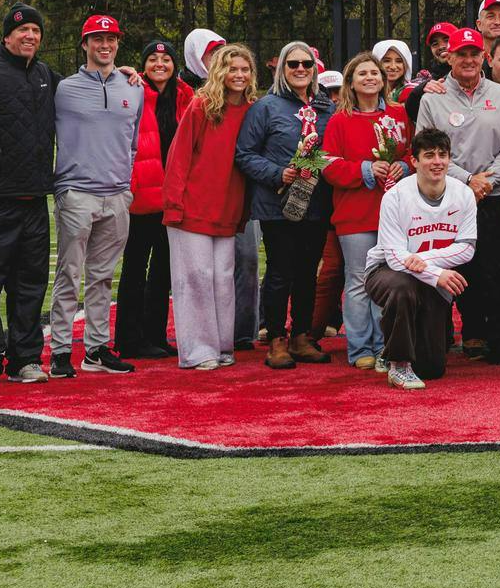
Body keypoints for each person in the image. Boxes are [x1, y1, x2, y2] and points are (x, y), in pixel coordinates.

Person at [413, 27, 500, 364]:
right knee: (457, 267)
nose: (469, 59)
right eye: (462, 53)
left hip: (495, 194)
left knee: (498, 270)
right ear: (450, 56)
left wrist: (487, 181)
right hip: (451, 197)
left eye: (475, 53)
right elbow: (426, 146)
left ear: (483, 57)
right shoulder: (433, 97)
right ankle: (456, 338)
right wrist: (467, 181)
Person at [46, 13, 145, 378]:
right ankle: (58, 351)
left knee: (103, 277)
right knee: (69, 275)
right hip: (77, 194)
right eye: (97, 39)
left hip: (117, 194)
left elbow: (131, 143)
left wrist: (125, 185)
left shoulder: (134, 87)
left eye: (111, 39)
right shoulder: (63, 88)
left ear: (118, 43)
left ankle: (96, 350)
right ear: (84, 43)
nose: (105, 46)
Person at [236, 40, 334, 370]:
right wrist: (280, 173)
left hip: (317, 202)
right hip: (278, 203)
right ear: (282, 69)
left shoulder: (326, 108)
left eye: (307, 63)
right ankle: (276, 337)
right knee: (281, 271)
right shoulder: (266, 107)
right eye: (293, 64)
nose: (301, 69)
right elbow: (244, 154)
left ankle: (301, 336)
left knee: (308, 272)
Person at [163, 43, 256, 371]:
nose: (239, 75)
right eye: (233, 69)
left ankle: (221, 344)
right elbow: (179, 156)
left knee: (222, 278)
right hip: (192, 207)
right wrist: (173, 204)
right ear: (220, 71)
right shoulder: (201, 106)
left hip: (228, 209)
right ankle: (198, 350)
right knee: (196, 278)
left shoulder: (253, 110)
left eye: (245, 69)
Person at [363, 127, 476, 391]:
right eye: (428, 156)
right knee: (404, 287)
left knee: (432, 368)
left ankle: (395, 347)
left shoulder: (463, 194)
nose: (437, 162)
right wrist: (436, 273)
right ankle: (398, 363)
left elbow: (467, 247)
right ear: (414, 161)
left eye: (442, 155)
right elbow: (393, 257)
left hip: (429, 272)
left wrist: (423, 260)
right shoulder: (396, 196)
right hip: (385, 271)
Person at [0, 4, 62, 384]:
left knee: (30, 285)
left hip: (35, 201)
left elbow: (87, 89)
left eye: (36, 30)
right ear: (6, 36)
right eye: (23, 30)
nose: (30, 36)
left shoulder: (46, 75)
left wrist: (127, 76)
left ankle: (24, 360)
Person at [322, 52, 412, 371]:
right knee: (359, 281)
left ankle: (386, 345)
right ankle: (361, 347)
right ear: (351, 82)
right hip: (355, 213)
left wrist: (403, 165)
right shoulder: (339, 120)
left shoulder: (399, 116)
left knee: (390, 280)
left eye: (375, 72)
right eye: (362, 73)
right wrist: (366, 170)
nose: (370, 77)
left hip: (394, 214)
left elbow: (416, 154)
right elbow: (329, 165)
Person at [116, 39, 189, 359]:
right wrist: (120, 73)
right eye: (152, 59)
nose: (160, 64)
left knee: (163, 270)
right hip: (141, 196)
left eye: (166, 59)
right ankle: (129, 339)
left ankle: (155, 335)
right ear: (142, 64)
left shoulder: (185, 96)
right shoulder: (132, 89)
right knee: (134, 267)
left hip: (173, 197)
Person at [372, 38, 418, 105]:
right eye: (387, 61)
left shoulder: (413, 92)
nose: (393, 67)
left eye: (399, 61)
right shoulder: (364, 92)